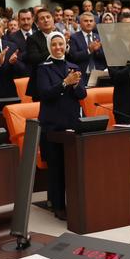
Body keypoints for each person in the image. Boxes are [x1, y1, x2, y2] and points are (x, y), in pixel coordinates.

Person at [36, 33, 86, 219]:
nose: (58, 47)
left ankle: (73, 202)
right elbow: (45, 93)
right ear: (49, 47)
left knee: (71, 166)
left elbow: (82, 95)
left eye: (61, 44)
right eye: (54, 44)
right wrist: (65, 82)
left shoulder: (73, 66)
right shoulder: (43, 68)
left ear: (65, 46)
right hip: (52, 124)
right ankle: (58, 206)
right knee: (56, 166)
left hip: (72, 122)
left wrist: (74, 85)